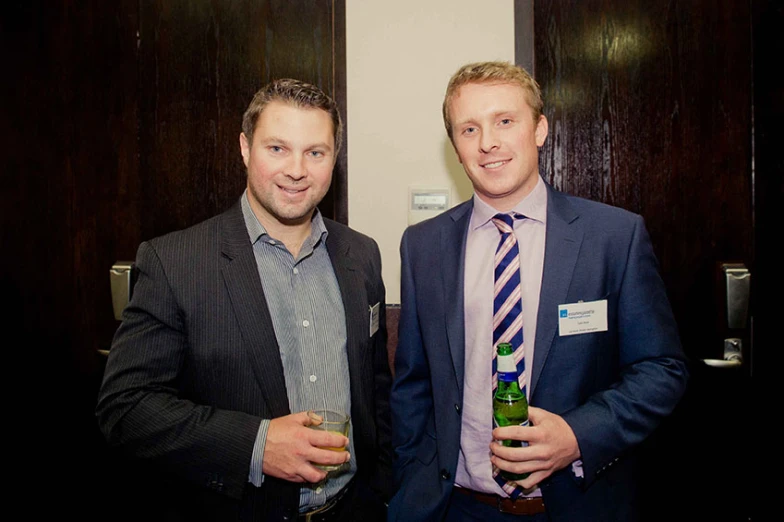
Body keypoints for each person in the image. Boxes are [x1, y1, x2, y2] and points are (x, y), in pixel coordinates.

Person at [387, 61, 689, 522]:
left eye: (505, 121)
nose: (488, 142)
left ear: (540, 129)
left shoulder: (613, 237)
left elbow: (662, 369)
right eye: (469, 129)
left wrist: (576, 435)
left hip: (575, 505)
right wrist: (413, 475)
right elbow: (413, 383)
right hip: (457, 507)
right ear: (456, 146)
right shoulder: (423, 245)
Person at [96, 78, 393, 521]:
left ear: (334, 158)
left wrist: (384, 487)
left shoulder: (361, 254)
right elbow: (125, 407)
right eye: (277, 148)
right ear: (244, 147)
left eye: (316, 152)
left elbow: (375, 388)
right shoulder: (174, 261)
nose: (297, 169)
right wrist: (257, 445)